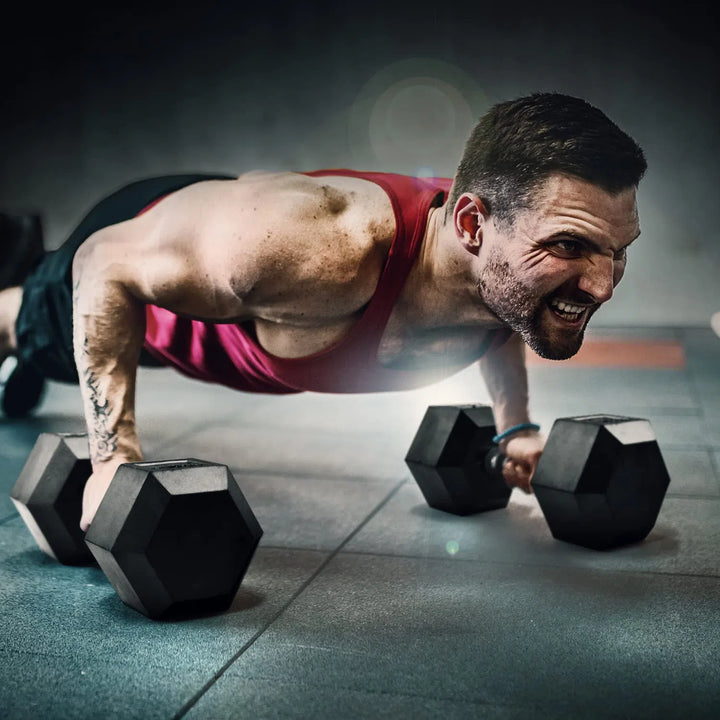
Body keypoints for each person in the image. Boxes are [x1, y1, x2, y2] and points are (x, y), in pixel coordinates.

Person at [0, 92, 646, 531]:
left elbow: (505, 310)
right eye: (569, 246)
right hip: (139, 249)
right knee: (26, 328)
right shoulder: (314, 248)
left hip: (237, 259)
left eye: (617, 252)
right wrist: (114, 459)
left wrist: (515, 428)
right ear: (473, 224)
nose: (602, 286)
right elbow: (107, 264)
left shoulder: (501, 264)